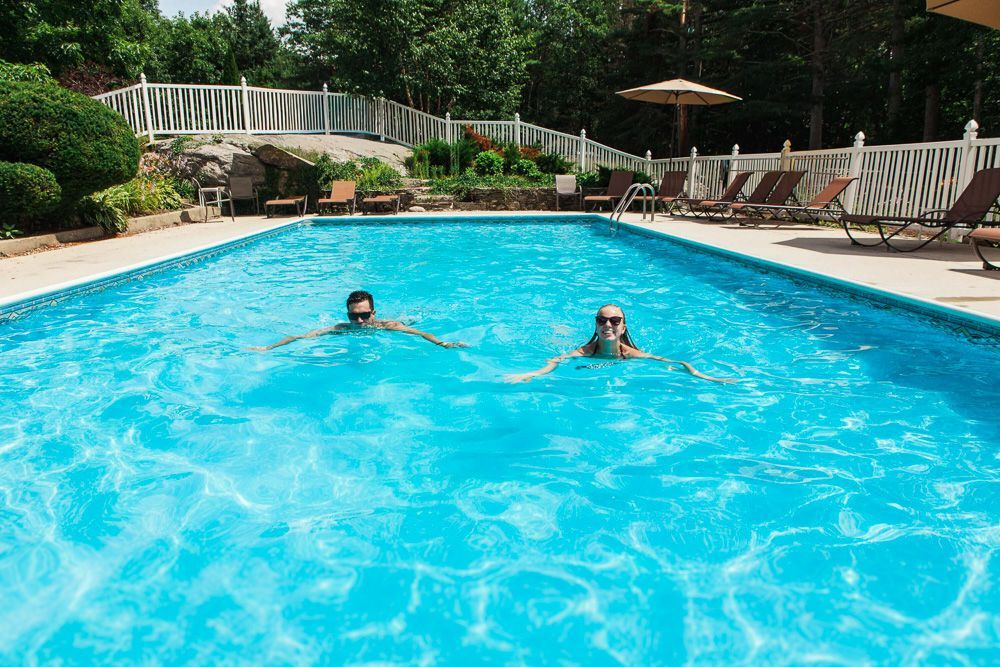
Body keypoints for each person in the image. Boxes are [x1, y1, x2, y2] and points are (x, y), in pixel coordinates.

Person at [505, 303, 735, 383]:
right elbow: (555, 360)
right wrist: (531, 374)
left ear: (623, 327)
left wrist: (704, 376)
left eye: (615, 321)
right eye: (602, 320)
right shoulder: (586, 351)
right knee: (555, 341)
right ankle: (557, 330)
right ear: (596, 325)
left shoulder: (631, 354)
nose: (608, 325)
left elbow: (678, 362)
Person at [250, 290, 468, 351]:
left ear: (373, 313)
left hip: (396, 323)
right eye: (354, 316)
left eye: (364, 315)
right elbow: (301, 336)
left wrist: (443, 343)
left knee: (409, 320)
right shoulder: (342, 329)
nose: (360, 321)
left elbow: (421, 334)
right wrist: (268, 347)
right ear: (348, 315)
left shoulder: (387, 326)